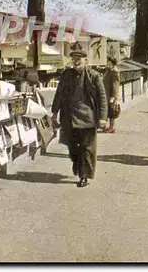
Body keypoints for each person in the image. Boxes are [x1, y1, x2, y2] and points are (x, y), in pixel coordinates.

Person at [51, 43, 108, 188]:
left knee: (87, 148)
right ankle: (77, 163)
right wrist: (54, 112)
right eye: (74, 59)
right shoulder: (66, 75)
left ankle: (84, 176)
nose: (76, 61)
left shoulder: (93, 76)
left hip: (87, 118)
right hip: (69, 117)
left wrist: (102, 118)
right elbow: (59, 94)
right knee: (72, 148)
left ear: (85, 61)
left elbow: (102, 97)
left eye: (79, 59)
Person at [102, 56, 121, 133]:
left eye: (108, 62)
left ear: (112, 63)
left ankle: (112, 127)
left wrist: (114, 97)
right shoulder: (109, 70)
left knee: (112, 111)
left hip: (111, 95)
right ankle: (108, 126)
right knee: (109, 110)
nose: (107, 63)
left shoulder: (114, 71)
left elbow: (115, 85)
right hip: (107, 93)